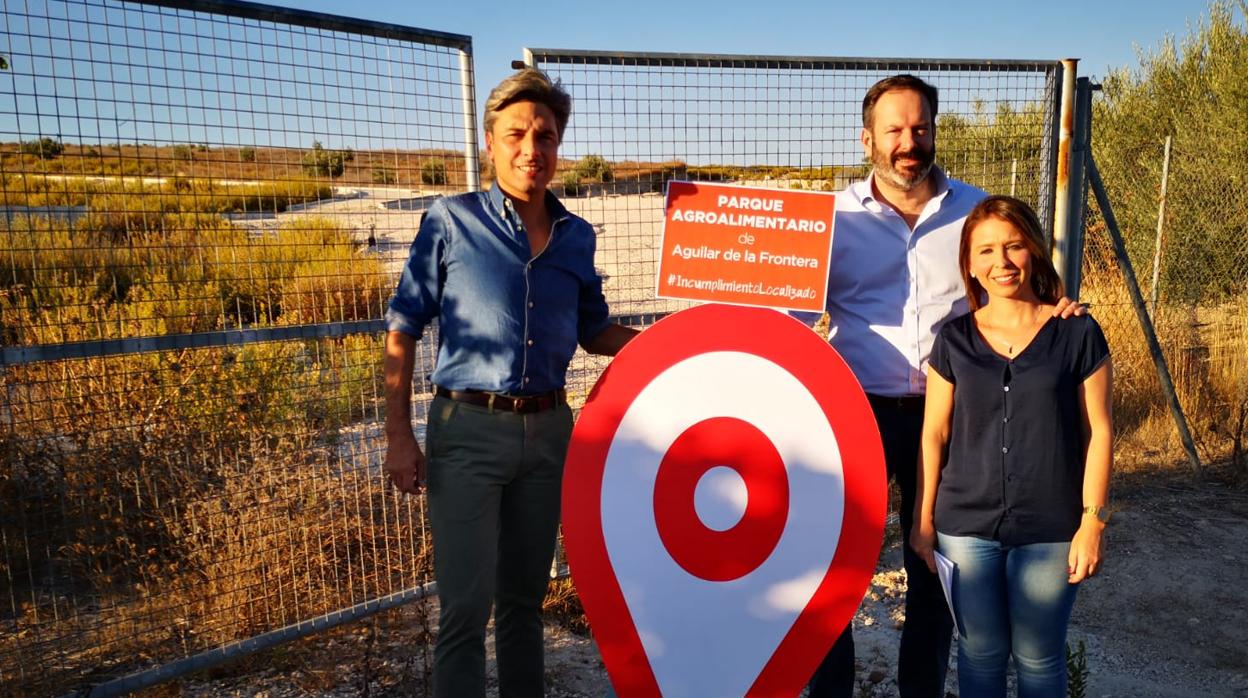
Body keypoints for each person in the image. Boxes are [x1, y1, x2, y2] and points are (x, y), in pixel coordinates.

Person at [805, 75, 1082, 698]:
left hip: (954, 416)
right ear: (867, 138)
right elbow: (784, 313)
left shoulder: (974, 212)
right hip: (856, 413)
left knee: (933, 571)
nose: (910, 142)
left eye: (921, 129)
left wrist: (1059, 310)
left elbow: (1022, 287)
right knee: (836, 570)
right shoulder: (831, 221)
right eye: (895, 130)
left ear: (934, 131)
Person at [382, 68, 637, 698]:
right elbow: (403, 328)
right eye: (517, 134)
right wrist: (397, 435)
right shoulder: (450, 221)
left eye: (546, 135)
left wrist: (683, 343)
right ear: (489, 143)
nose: (533, 149)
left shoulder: (578, 236)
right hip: (467, 432)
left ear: (559, 146)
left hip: (551, 435)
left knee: (525, 603)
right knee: (465, 610)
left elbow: (595, 331)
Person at [909, 195, 1113, 696]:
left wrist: (1092, 523)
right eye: (985, 251)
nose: (1000, 262)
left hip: (1050, 527)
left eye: (1013, 246)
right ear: (970, 265)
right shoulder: (953, 340)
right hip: (965, 527)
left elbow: (1100, 432)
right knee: (979, 653)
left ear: (1034, 252)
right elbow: (933, 433)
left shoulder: (1078, 332)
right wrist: (923, 519)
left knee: (1039, 658)